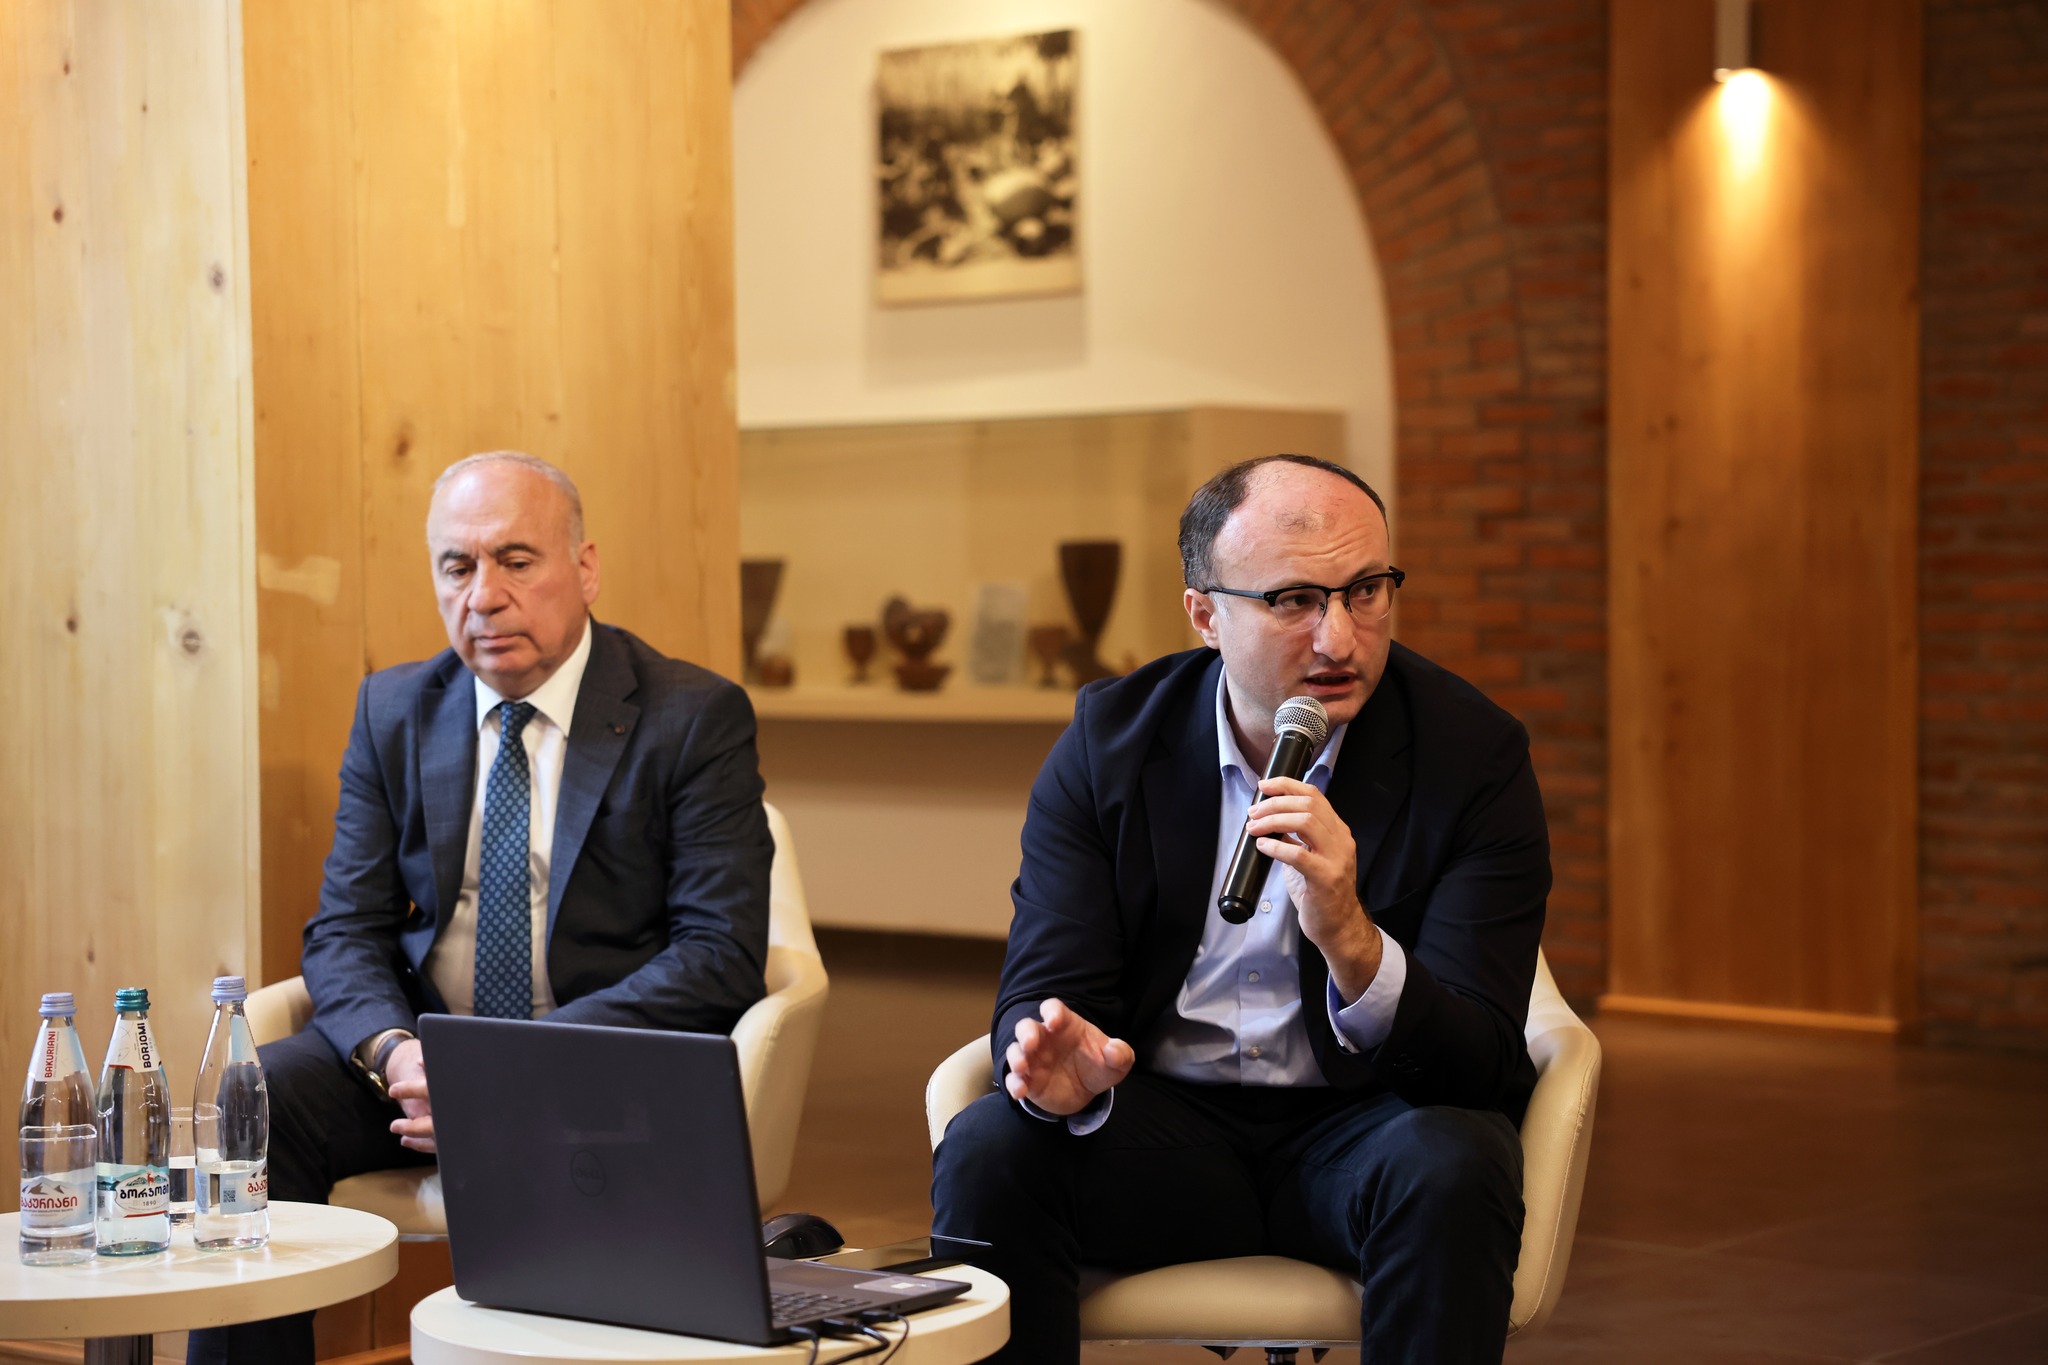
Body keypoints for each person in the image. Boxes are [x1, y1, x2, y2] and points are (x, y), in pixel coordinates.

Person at [931, 454, 1549, 1364]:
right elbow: (1046, 982)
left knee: (1456, 1161)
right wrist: (1057, 1062)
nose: (1339, 638)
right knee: (991, 1146)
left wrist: (1351, 938)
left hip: (1368, 1128)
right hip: (1161, 1126)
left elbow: (1483, 1061)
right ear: (1204, 614)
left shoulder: (1473, 757)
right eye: (1294, 600)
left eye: (1366, 590)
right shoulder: (1111, 742)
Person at [189, 452, 772, 1365]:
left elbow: (720, 952)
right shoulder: (395, 708)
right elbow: (345, 928)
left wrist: (509, 1069)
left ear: (585, 568)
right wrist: (400, 1053)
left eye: (516, 561)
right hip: (422, 1071)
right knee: (259, 1100)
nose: (484, 596)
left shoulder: (690, 716)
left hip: (597, 1065)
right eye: (457, 567)